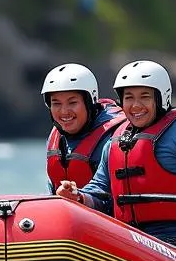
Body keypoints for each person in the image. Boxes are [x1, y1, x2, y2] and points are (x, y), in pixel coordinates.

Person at [56, 60, 176, 261]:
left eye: (144, 97)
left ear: (160, 98)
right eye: (129, 98)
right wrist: (79, 197)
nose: (136, 105)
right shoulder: (114, 142)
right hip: (129, 240)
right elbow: (100, 192)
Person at [41, 63, 126, 192]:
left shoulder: (114, 136)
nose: (64, 111)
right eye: (56, 103)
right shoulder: (56, 138)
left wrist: (80, 198)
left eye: (72, 102)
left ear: (89, 102)